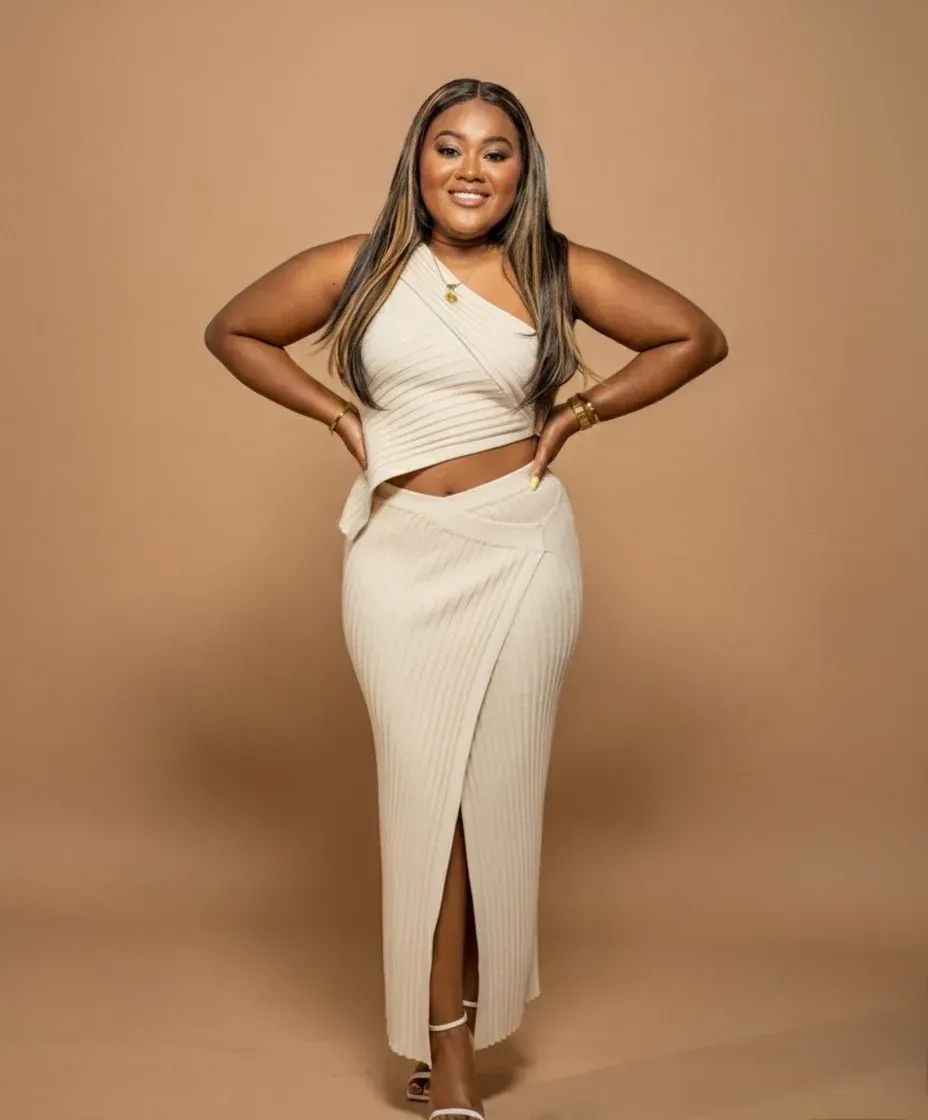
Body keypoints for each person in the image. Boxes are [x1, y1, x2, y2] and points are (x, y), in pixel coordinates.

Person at [204, 77, 728, 1120]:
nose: (470, 170)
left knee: (494, 795)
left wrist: (578, 409)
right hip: (398, 559)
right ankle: (448, 1059)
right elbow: (234, 331)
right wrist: (333, 416)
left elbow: (692, 337)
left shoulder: (553, 268)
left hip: (523, 552)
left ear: (523, 171)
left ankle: (469, 1004)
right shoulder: (357, 265)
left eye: (496, 152)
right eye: (449, 147)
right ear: (416, 161)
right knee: (425, 799)